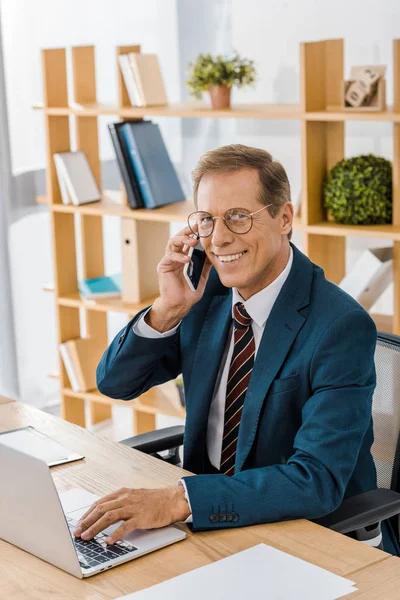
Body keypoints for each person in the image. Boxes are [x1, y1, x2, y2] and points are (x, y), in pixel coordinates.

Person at [73, 144, 399, 556]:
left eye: (239, 217)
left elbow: (316, 480)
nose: (220, 238)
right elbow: (115, 383)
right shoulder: (203, 295)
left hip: (306, 536)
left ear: (285, 218)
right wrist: (167, 309)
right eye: (207, 220)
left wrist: (180, 499)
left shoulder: (339, 326)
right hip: (208, 525)